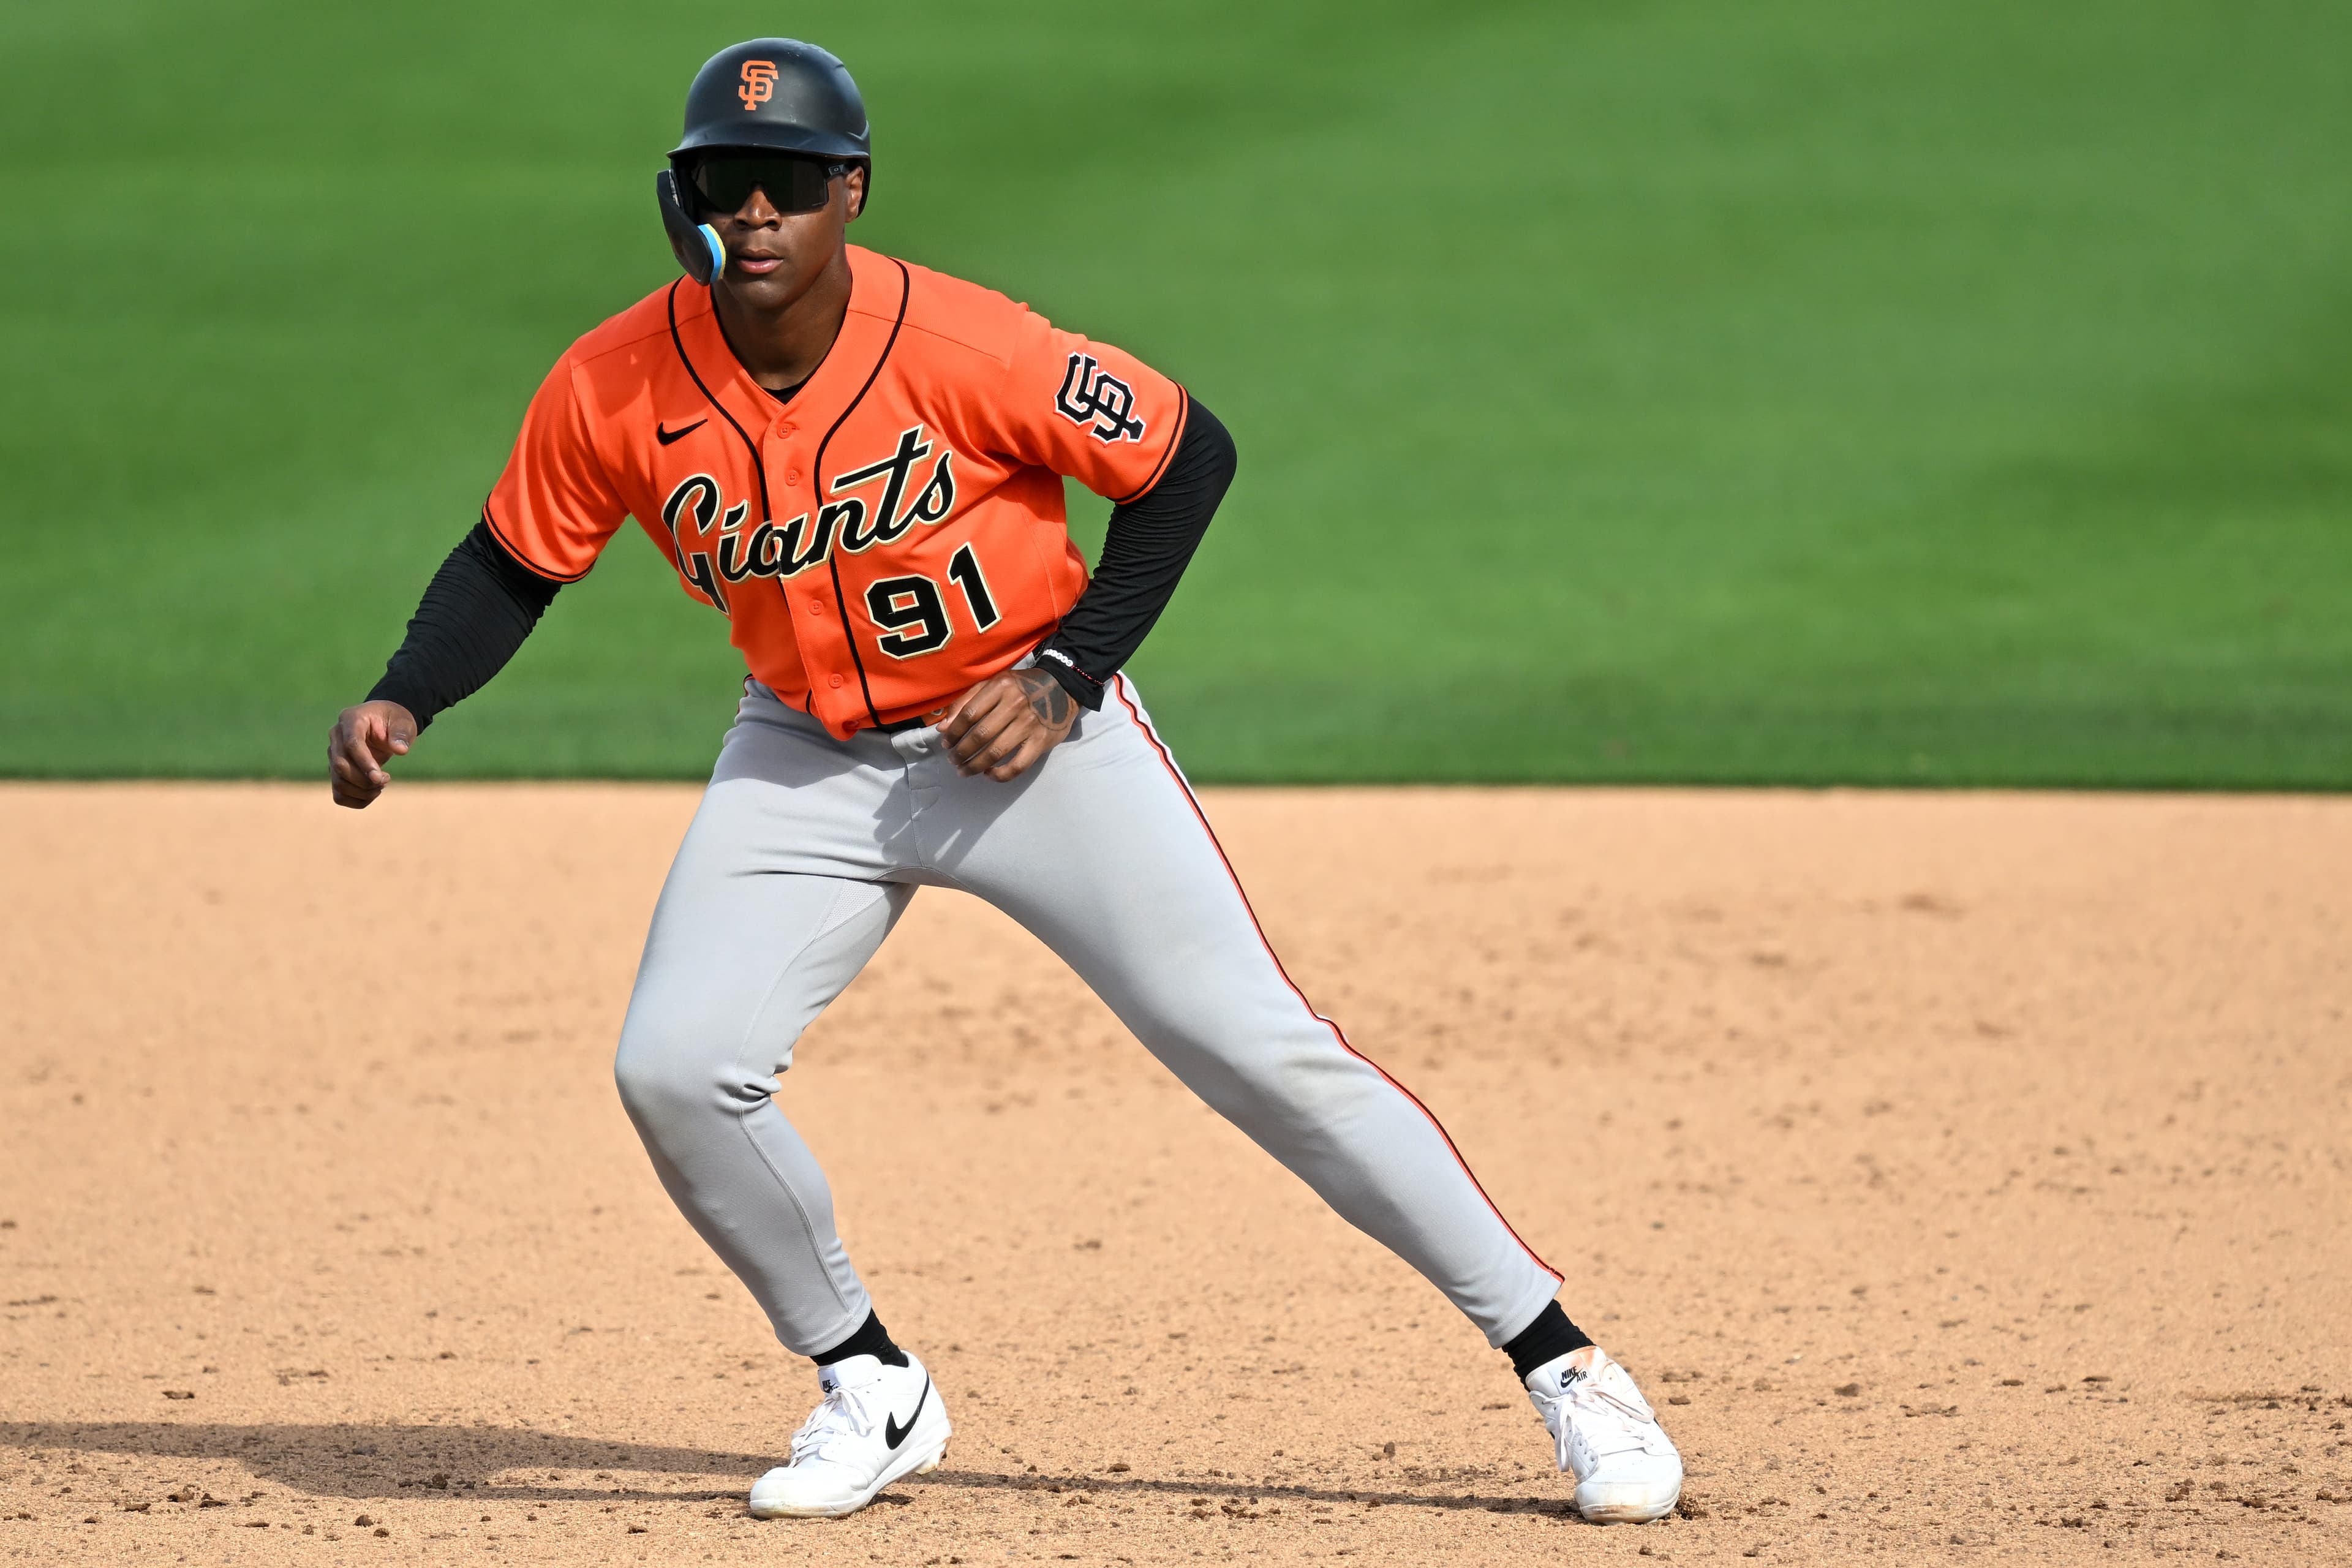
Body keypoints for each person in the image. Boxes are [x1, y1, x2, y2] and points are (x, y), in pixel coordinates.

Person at [326, 38, 1682, 1525]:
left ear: (849, 191)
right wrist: (408, 692)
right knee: (674, 1067)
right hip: (804, 754)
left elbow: (1187, 456)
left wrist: (1065, 674)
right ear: (685, 196)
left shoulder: (967, 345)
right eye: (728, 181)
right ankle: (869, 1379)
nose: (758, 214)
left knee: (1257, 1047)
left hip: (1036, 745)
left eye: (788, 183)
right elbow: (511, 563)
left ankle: (1564, 1365)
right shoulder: (613, 380)